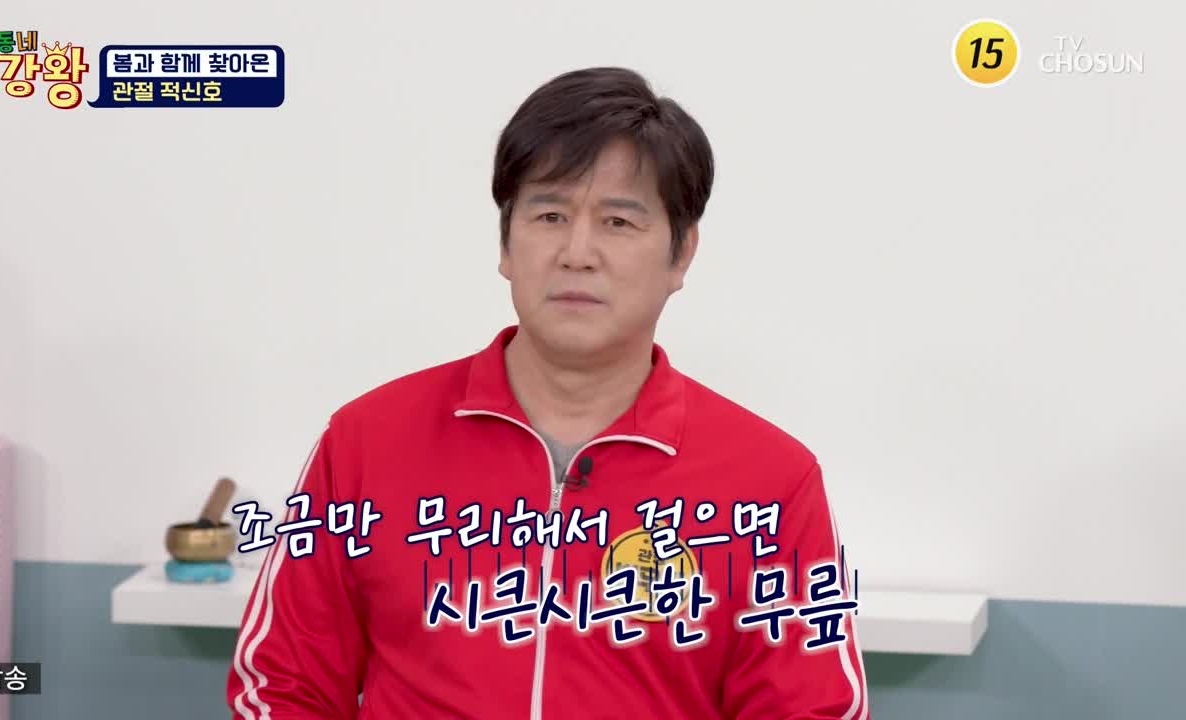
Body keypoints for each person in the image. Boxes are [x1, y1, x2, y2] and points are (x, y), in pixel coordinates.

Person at [227, 66, 869, 720]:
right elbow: (281, 687)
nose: (577, 252)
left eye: (618, 222)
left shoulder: (773, 483)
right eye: (550, 215)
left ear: (681, 255)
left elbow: (810, 711)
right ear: (506, 243)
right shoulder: (365, 444)